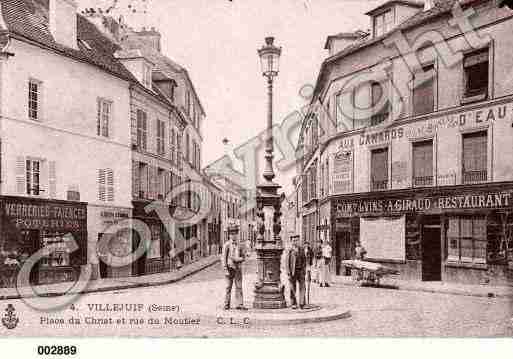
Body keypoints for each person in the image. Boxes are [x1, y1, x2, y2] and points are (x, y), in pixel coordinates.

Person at [222, 226, 247, 310]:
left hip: (238, 269)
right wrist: (225, 270)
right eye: (232, 234)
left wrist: (239, 259)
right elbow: (223, 258)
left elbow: (244, 257)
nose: (233, 236)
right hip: (229, 269)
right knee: (228, 287)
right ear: (229, 235)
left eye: (235, 234)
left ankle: (239, 304)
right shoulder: (227, 245)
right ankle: (226, 304)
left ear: (237, 234)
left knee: (239, 286)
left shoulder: (240, 245)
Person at [285, 236, 306, 309]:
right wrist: (288, 272)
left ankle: (302, 303)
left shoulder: (301, 249)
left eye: (297, 240)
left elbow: (304, 261)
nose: (295, 242)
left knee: (302, 287)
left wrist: (304, 270)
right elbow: (287, 262)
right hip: (292, 272)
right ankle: (293, 303)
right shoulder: (289, 250)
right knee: (292, 288)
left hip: (300, 271)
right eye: (294, 241)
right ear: (291, 242)